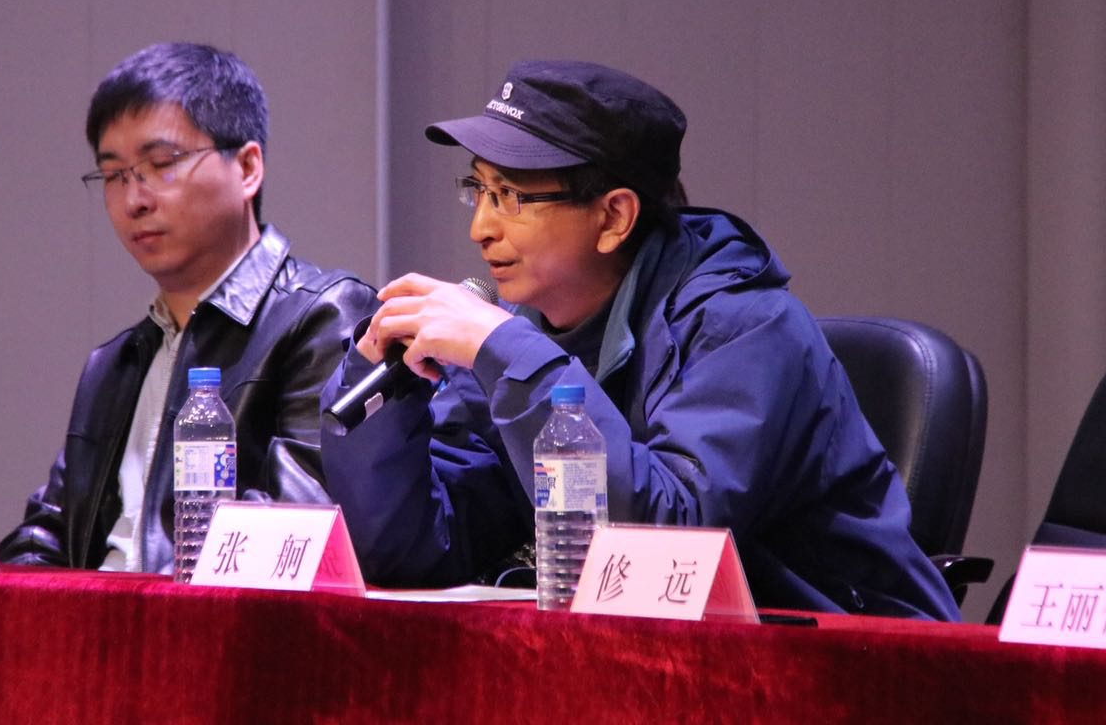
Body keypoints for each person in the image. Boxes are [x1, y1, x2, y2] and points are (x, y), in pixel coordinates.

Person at [320, 59, 959, 619]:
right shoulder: (520, 334)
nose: (480, 229)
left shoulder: (748, 328)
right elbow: (417, 552)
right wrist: (386, 400)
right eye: (479, 190)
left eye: (511, 195)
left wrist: (513, 357)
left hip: (854, 668)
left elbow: (670, 544)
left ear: (614, 216)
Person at [0, 42, 377, 573]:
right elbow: (49, 531)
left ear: (247, 167)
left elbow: (299, 525)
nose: (135, 200)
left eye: (161, 164)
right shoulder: (113, 365)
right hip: (105, 622)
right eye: (115, 175)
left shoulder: (324, 317)